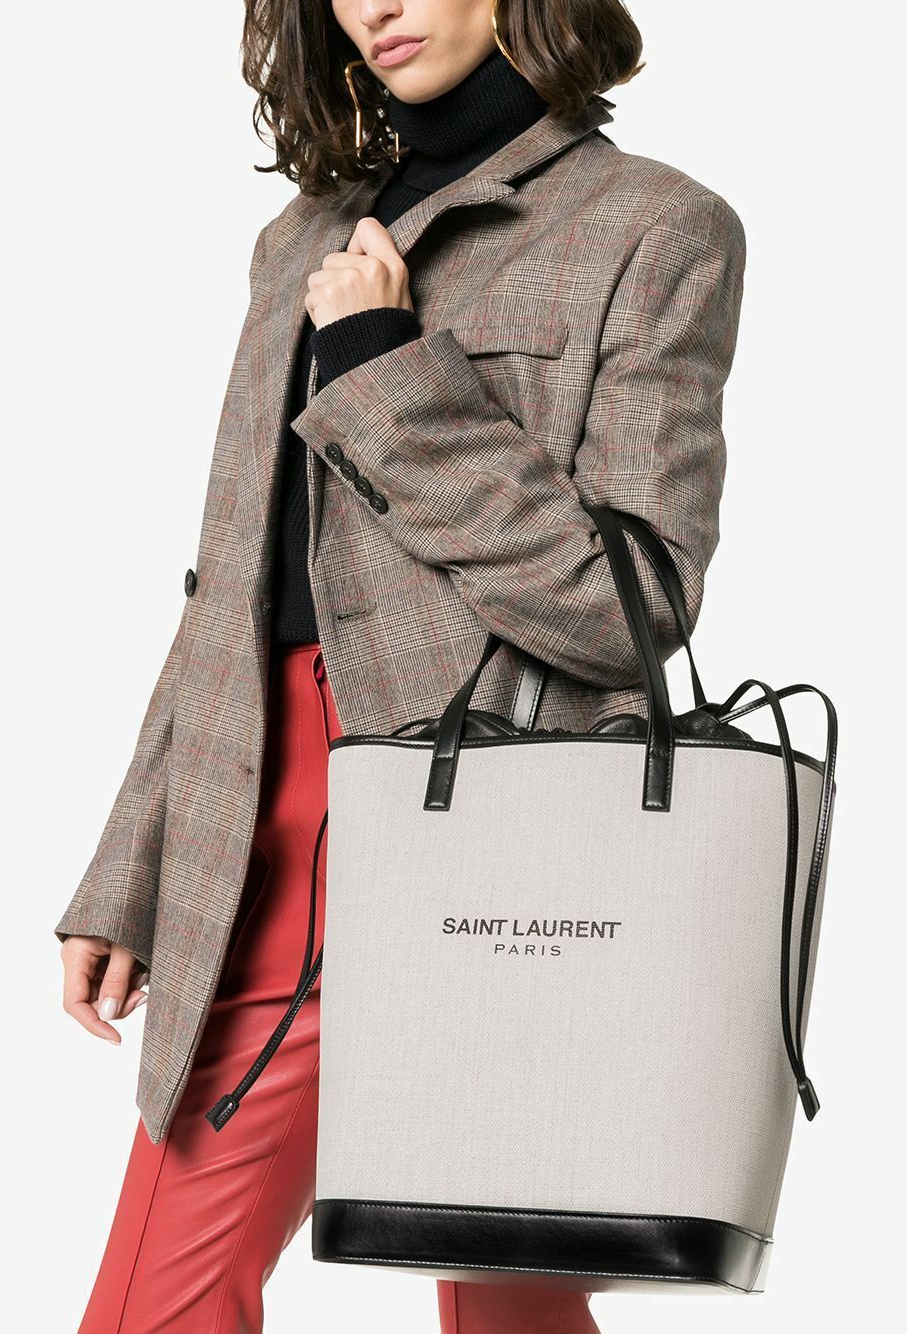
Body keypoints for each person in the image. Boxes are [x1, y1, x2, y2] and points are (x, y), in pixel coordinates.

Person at [55, 1, 747, 1329]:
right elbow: (233, 586)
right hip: (265, 813)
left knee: (499, 1303)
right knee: (166, 1299)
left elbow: (630, 604)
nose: (373, 6)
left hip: (503, 821)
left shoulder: (654, 227)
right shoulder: (301, 242)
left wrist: (381, 369)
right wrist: (132, 863)